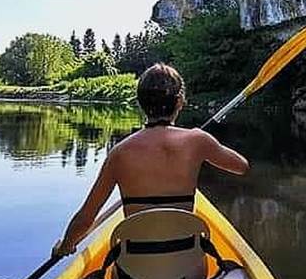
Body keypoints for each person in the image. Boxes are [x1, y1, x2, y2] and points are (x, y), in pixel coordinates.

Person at [51, 62, 249, 259]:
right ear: (179, 101)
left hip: (132, 274)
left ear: (140, 103)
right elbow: (241, 166)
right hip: (189, 270)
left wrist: (65, 246)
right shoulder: (198, 140)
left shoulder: (120, 153)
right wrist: (204, 144)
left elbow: (85, 220)